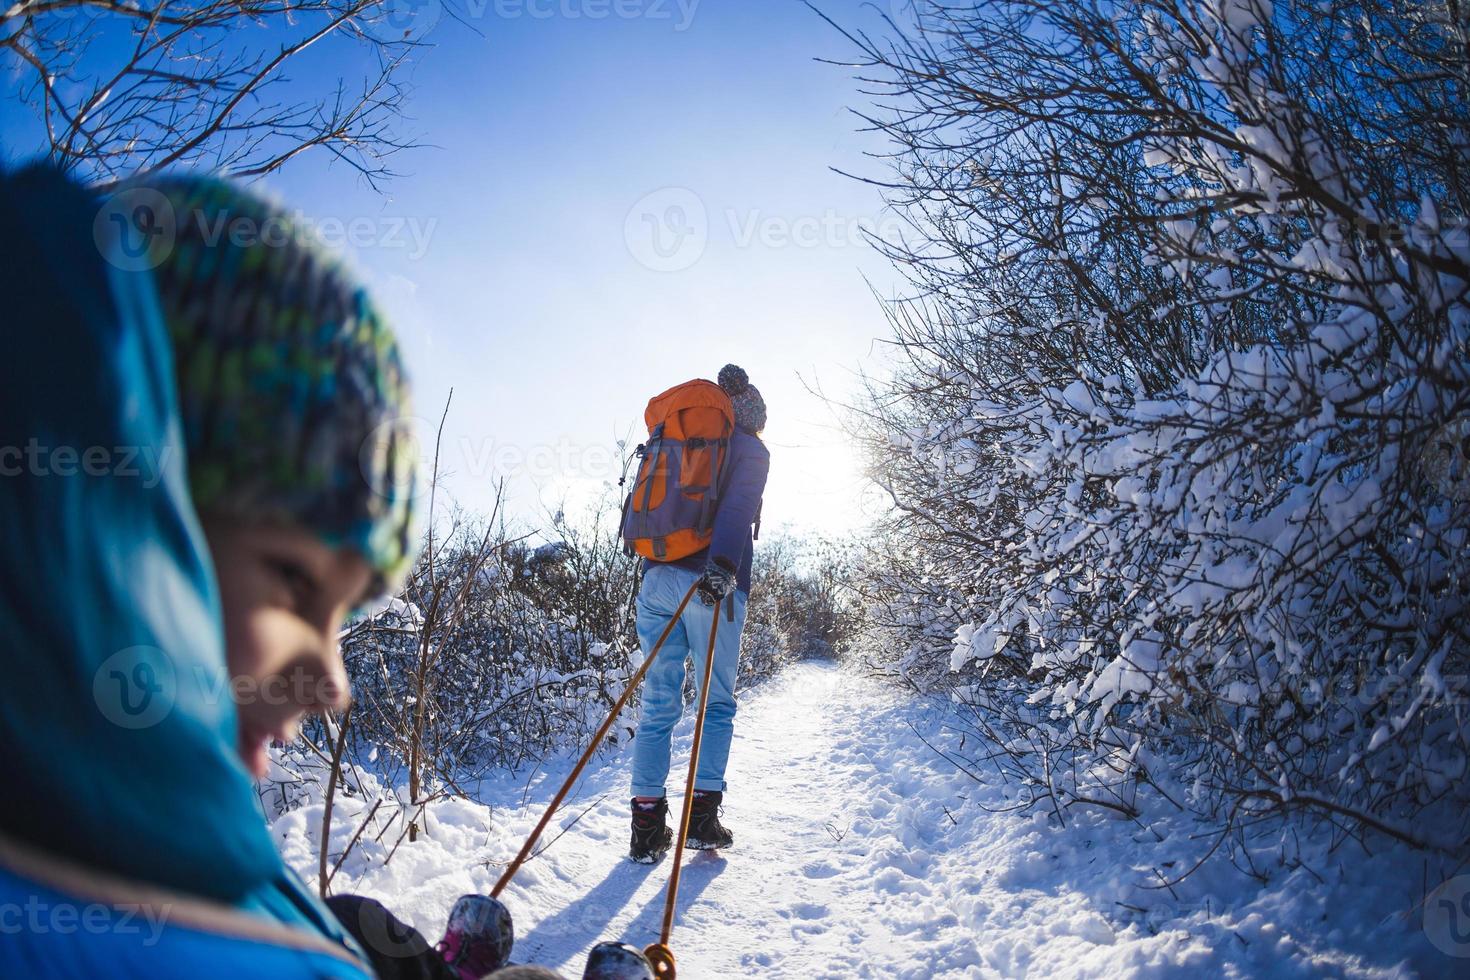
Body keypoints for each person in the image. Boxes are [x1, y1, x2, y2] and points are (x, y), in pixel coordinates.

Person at [0, 166, 565, 979]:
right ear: (114, 513)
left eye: (347, 616)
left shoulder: (130, 834)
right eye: (295, 581)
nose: (334, 682)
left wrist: (319, 936)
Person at [628, 365, 770, 863]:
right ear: (752, 413)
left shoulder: (680, 439)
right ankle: (701, 822)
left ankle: (646, 829)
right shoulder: (750, 449)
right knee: (716, 703)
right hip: (714, 584)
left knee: (658, 703)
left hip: (656, 580)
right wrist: (724, 567)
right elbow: (735, 511)